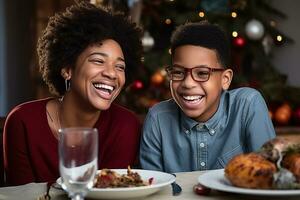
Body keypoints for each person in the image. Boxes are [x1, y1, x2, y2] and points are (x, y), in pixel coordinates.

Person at [3, 1, 143, 186]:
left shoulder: (125, 126)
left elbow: (111, 195)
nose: (111, 73)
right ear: (67, 69)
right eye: (98, 61)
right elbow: (20, 196)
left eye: (120, 66)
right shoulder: (23, 122)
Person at [139, 21, 276, 173]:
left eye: (202, 73)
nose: (188, 83)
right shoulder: (157, 119)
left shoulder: (248, 105)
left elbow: (269, 176)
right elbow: (153, 186)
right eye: (178, 72)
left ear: (225, 79)